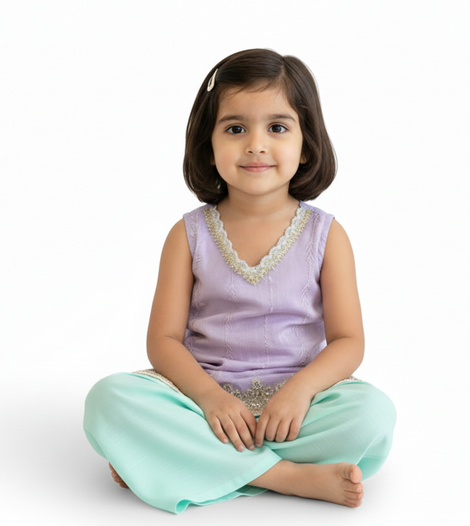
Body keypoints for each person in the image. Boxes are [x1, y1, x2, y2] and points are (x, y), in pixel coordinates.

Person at [83, 48, 396, 514]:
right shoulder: (188, 234)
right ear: (207, 146)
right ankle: (287, 477)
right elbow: (163, 341)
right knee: (108, 400)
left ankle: (173, 461)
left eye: (277, 127)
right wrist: (210, 399)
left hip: (297, 410)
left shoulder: (326, 235)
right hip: (202, 406)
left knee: (372, 414)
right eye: (235, 129)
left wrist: (299, 392)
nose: (256, 145)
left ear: (307, 144)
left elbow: (348, 341)